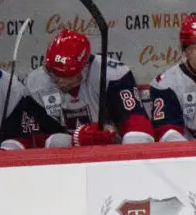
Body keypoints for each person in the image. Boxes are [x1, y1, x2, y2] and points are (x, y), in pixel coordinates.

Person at [24, 30, 154, 146]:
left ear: (85, 67)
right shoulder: (35, 84)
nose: (59, 80)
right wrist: (77, 139)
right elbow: (37, 138)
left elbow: (137, 122)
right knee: (57, 141)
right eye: (52, 72)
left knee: (136, 138)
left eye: (67, 75)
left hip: (111, 151)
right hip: (64, 158)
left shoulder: (113, 75)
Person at [0, 33, 70, 149]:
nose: (61, 80)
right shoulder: (35, 83)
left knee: (59, 141)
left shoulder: (11, 88)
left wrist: (6, 151)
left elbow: (21, 135)